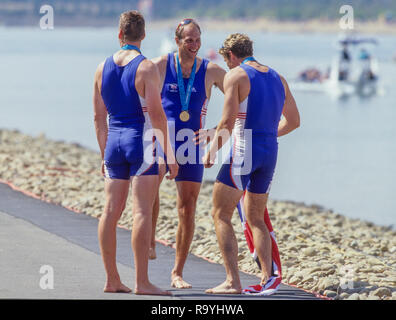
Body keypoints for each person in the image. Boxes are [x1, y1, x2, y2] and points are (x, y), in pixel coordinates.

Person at [203, 33, 300, 294]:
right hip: (269, 151)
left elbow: (226, 122)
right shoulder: (279, 78)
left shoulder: (237, 75)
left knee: (220, 214)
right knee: (256, 217)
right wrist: (266, 134)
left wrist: (211, 152)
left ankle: (233, 281)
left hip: (244, 151)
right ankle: (269, 279)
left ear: (231, 56)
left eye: (228, 62)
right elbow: (293, 121)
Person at [93, 10, 178, 295]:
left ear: (119, 34)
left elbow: (98, 118)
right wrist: (169, 155)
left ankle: (112, 279)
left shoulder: (101, 68)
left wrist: (104, 154)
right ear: (143, 35)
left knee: (109, 211)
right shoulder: (146, 67)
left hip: (114, 143)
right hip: (140, 144)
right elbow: (157, 116)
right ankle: (142, 282)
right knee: (141, 211)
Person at [150, 18, 226, 289]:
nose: (194, 45)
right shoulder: (159, 65)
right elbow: (137, 95)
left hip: (191, 144)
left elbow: (241, 98)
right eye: (189, 40)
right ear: (177, 41)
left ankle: (177, 272)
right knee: (150, 190)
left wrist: (217, 133)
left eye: (198, 40)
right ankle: (150, 237)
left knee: (187, 208)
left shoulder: (211, 71)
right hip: (162, 140)